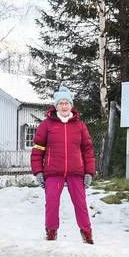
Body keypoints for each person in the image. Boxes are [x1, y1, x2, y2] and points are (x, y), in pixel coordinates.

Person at [30, 86, 96, 244]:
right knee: (52, 202)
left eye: (67, 103)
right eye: (61, 103)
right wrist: (38, 171)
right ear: (56, 106)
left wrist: (89, 172)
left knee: (80, 203)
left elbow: (88, 150)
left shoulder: (80, 126)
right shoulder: (47, 125)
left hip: (76, 172)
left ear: (71, 105)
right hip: (53, 172)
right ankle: (51, 231)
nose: (64, 106)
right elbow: (38, 149)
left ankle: (87, 233)